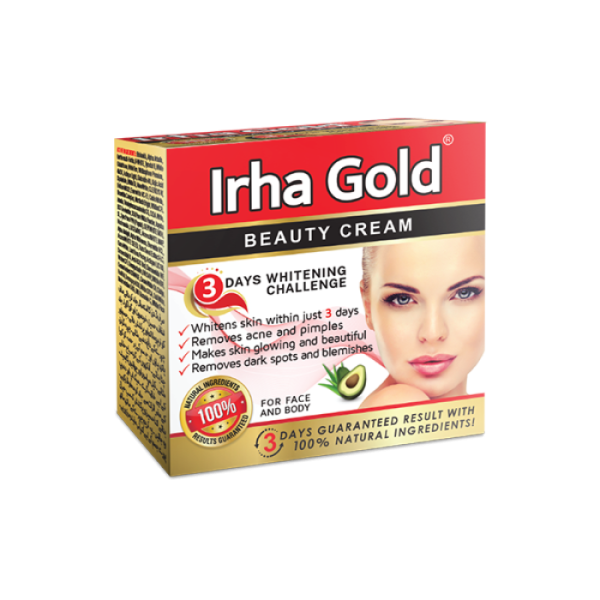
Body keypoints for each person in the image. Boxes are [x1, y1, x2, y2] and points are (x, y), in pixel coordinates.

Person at [359, 235, 486, 409]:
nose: (433, 333)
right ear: (368, 307)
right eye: (402, 299)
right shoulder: (401, 404)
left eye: (464, 293)